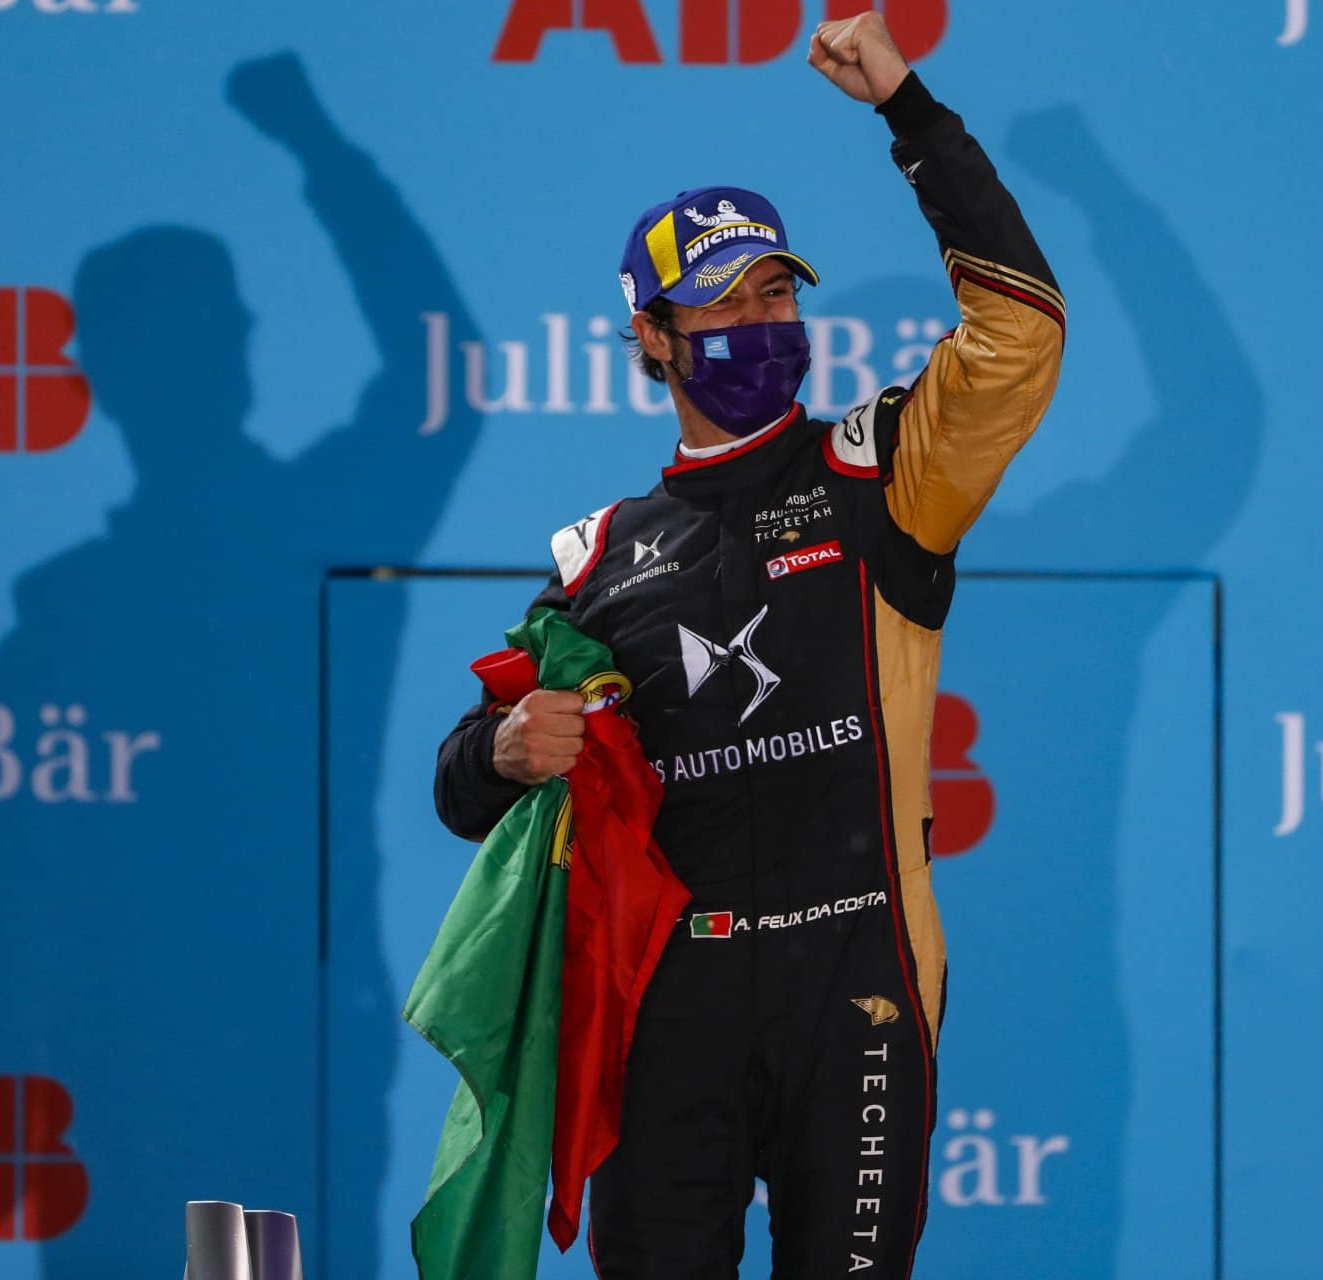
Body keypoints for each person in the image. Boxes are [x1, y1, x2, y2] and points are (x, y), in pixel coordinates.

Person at [432, 12, 1063, 1276]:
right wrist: (505, 748)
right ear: (652, 338)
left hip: (859, 974)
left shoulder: (882, 474)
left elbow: (1017, 341)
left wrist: (911, 114)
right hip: (675, 1002)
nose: (757, 319)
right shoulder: (598, 559)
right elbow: (463, 785)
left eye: (775, 291)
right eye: (719, 302)